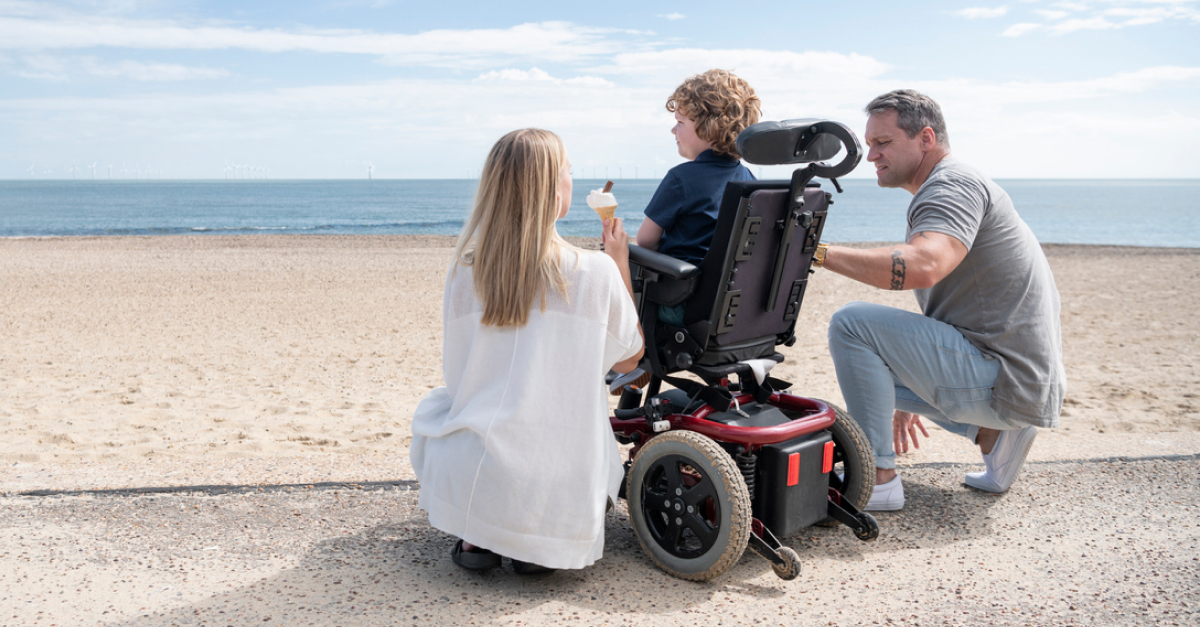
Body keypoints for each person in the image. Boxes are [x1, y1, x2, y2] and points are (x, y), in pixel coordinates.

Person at [409, 128, 644, 573]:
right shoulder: (593, 272)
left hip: (474, 467)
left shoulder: (465, 271)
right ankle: (534, 543)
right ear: (553, 189)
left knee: (441, 407)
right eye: (569, 172)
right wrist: (620, 264)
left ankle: (480, 534)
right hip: (560, 478)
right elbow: (631, 358)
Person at [818, 89, 1065, 511]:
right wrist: (905, 374)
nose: (871, 156)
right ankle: (992, 436)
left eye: (883, 143)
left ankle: (878, 481)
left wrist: (817, 252)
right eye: (869, 144)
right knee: (869, 360)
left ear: (925, 139)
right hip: (1021, 380)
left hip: (1007, 379)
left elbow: (925, 264)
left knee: (851, 323)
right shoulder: (950, 183)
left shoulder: (950, 186)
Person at [609, 68, 760, 393]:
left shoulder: (681, 178)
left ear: (708, 127)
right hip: (735, 309)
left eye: (680, 122)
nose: (673, 129)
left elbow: (646, 241)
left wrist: (618, 249)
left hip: (683, 309)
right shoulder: (748, 179)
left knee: (623, 266)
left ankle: (631, 358)